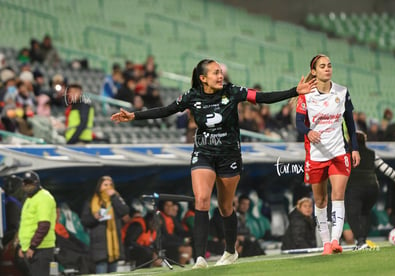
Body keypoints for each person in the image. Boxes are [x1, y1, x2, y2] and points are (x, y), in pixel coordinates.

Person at [111, 58, 316, 268]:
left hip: (229, 157)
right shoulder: (192, 96)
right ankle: (199, 258)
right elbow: (166, 110)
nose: (220, 76)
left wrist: (294, 91)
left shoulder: (232, 91)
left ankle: (230, 251)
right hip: (204, 154)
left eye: (220, 72)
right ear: (203, 78)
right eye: (215, 73)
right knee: (201, 200)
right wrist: (134, 115)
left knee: (226, 207)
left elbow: (262, 97)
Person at [296, 54, 361, 255]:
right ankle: (325, 242)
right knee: (320, 201)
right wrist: (308, 132)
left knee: (338, 196)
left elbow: (350, 122)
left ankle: (335, 241)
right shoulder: (306, 94)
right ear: (314, 71)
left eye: (329, 65)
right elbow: (299, 123)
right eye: (323, 66)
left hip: (339, 152)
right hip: (316, 154)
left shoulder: (342, 92)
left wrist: (355, 147)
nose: (327, 69)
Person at [346, 131, 395, 250]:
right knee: (365, 213)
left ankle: (361, 241)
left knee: (352, 215)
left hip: (354, 188)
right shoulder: (371, 153)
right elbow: (386, 169)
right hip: (372, 188)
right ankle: (363, 241)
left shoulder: (346, 153)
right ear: (364, 140)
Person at [80, 176, 130, 274]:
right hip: (100, 246)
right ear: (99, 187)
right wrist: (95, 218)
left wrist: (114, 197)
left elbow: (124, 211)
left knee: (113, 273)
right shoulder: (92, 201)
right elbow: (85, 220)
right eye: (105, 185)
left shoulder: (116, 198)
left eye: (110, 185)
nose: (108, 187)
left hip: (114, 245)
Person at [17, 171, 57, 276]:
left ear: (36, 183)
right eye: (25, 183)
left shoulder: (44, 197)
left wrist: (32, 247)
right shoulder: (29, 199)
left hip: (41, 249)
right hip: (31, 249)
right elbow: (26, 224)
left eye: (29, 183)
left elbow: (44, 225)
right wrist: (23, 246)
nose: (26, 185)